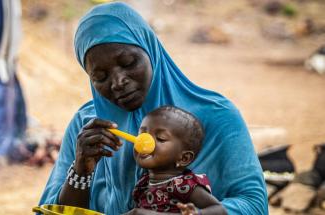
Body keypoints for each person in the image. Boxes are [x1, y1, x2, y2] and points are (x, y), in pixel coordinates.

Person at [38, 2, 268, 215]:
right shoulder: (86, 125)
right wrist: (81, 171)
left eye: (129, 63)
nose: (118, 81)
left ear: (151, 51)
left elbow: (254, 204)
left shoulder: (215, 116)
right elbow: (52, 211)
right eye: (100, 76)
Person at [131, 106, 226, 215]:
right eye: (142, 135)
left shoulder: (185, 185)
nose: (144, 142)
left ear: (184, 158)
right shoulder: (142, 184)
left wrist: (196, 213)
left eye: (160, 138)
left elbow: (220, 211)